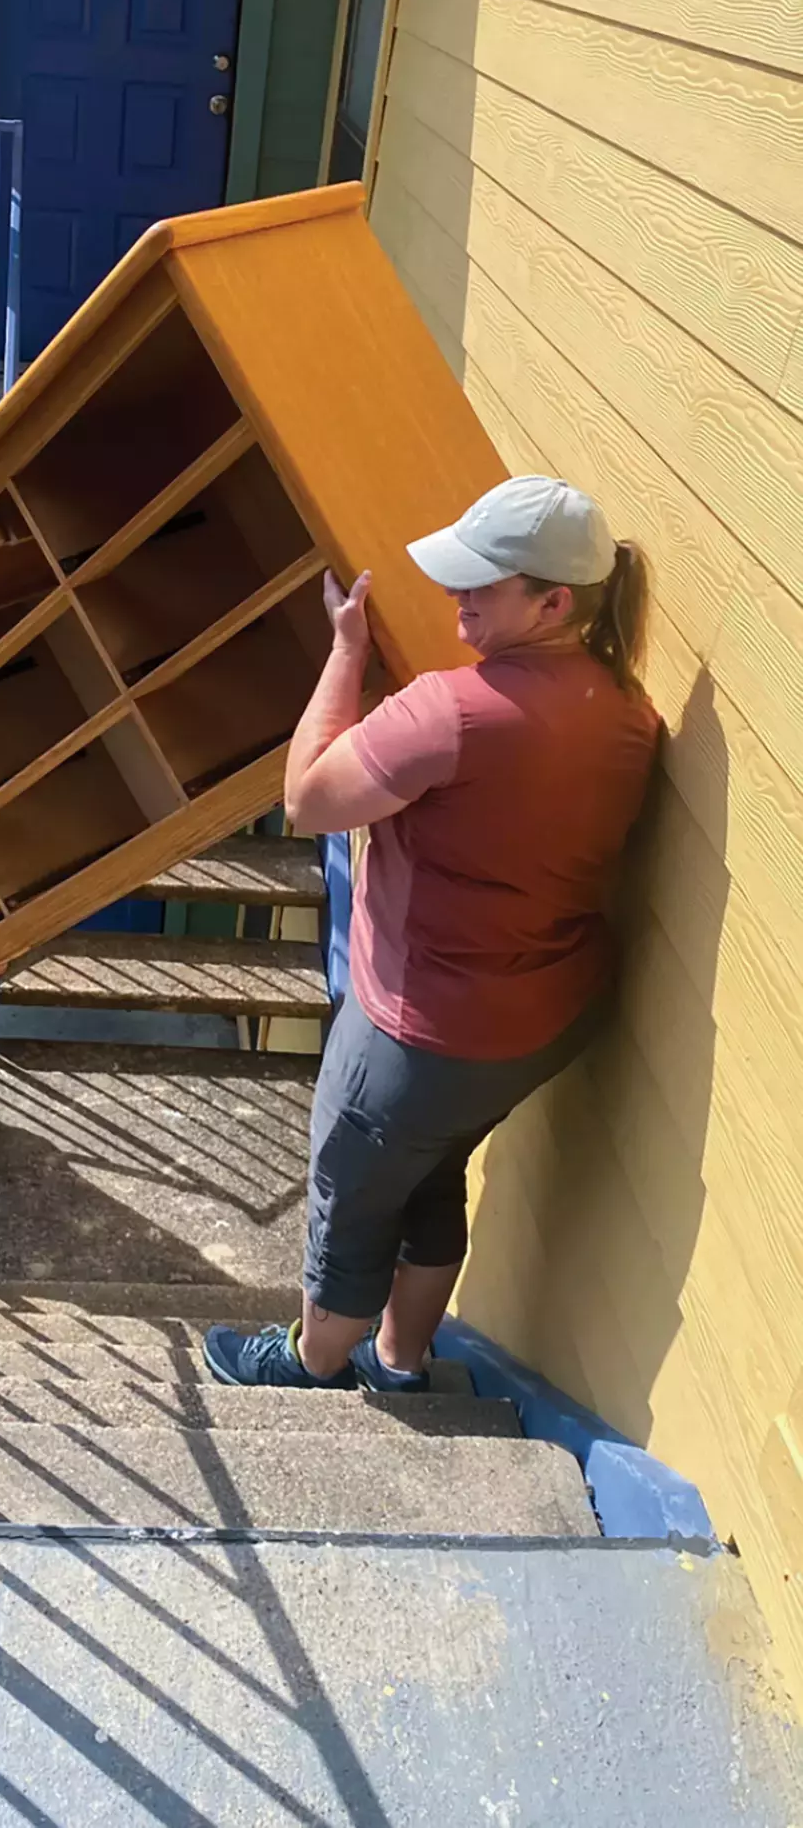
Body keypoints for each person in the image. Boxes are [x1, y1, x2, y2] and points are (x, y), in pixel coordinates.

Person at [203, 475, 659, 1394]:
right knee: (434, 1163)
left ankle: (314, 1358)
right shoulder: (627, 716)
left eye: (480, 586)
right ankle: (403, 1360)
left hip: (418, 1029)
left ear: (553, 601)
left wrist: (345, 652)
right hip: (538, 1017)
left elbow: (308, 799)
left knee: (352, 1183)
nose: (457, 599)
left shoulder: (452, 711)